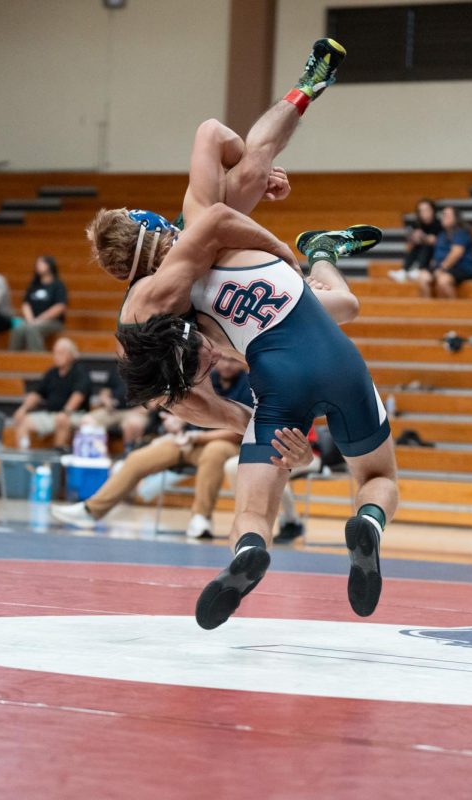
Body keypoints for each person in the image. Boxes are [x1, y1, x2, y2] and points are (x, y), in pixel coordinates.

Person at [113, 204, 397, 630]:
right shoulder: (220, 242)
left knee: (253, 511)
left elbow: (173, 391)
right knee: (379, 477)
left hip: (279, 385)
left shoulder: (176, 304)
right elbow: (212, 157)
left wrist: (260, 431)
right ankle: (370, 525)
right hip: (341, 362)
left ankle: (248, 550)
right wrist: (287, 256)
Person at [86, 38, 347, 284]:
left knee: (250, 171)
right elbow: (211, 131)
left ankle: (307, 87)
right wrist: (281, 251)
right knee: (232, 152)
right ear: (145, 224)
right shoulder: (195, 224)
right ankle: (321, 252)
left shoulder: (151, 286)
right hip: (211, 251)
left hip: (215, 269)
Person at [53, 361, 252, 540]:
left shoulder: (249, 385)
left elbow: (239, 430)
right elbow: (192, 409)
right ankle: (91, 511)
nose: (226, 365)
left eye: (232, 360)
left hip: (227, 445)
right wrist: (178, 421)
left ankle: (201, 519)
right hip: (189, 441)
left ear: (242, 362)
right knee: (138, 458)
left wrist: (199, 437)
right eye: (223, 360)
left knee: (214, 452)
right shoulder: (208, 379)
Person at [12, 338, 91, 452]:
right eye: (55, 353)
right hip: (52, 414)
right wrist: (23, 409)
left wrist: (66, 412)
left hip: (74, 414)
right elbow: (37, 394)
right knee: (23, 420)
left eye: (61, 353)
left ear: (71, 354)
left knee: (62, 420)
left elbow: (79, 395)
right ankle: (23, 454)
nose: (56, 356)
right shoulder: (52, 373)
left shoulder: (80, 372)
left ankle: (58, 458)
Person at [75, 362, 148, 452]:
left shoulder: (145, 368)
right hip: (113, 410)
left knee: (133, 424)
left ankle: (129, 455)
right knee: (86, 420)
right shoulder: (116, 370)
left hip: (136, 411)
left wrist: (145, 408)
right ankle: (98, 454)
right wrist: (106, 400)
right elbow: (105, 390)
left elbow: (155, 399)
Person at [9, 255, 68, 352]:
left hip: (53, 321)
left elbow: (60, 307)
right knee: (18, 328)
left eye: (41, 263)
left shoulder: (58, 285)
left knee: (32, 329)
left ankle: (38, 360)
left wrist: (39, 320)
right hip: (32, 320)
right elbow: (26, 304)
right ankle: (12, 359)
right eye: (37, 264)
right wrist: (31, 320)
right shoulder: (34, 285)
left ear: (49, 265)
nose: (37, 266)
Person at [416, 205, 472, 299]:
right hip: (441, 267)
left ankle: (453, 310)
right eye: (443, 215)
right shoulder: (441, 235)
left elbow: (456, 253)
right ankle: (428, 308)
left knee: (443, 281)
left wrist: (442, 268)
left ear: (456, 218)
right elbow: (436, 253)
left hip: (461, 268)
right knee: (423, 276)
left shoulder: (462, 233)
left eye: (446, 215)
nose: (443, 218)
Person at [388, 198, 441, 284]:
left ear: (433, 210)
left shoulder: (439, 224)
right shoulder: (417, 224)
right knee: (418, 244)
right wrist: (413, 239)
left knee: (426, 244)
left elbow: (436, 242)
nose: (424, 213)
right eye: (421, 211)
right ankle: (404, 271)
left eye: (426, 210)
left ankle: (419, 269)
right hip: (419, 253)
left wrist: (423, 237)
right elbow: (408, 247)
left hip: (435, 255)